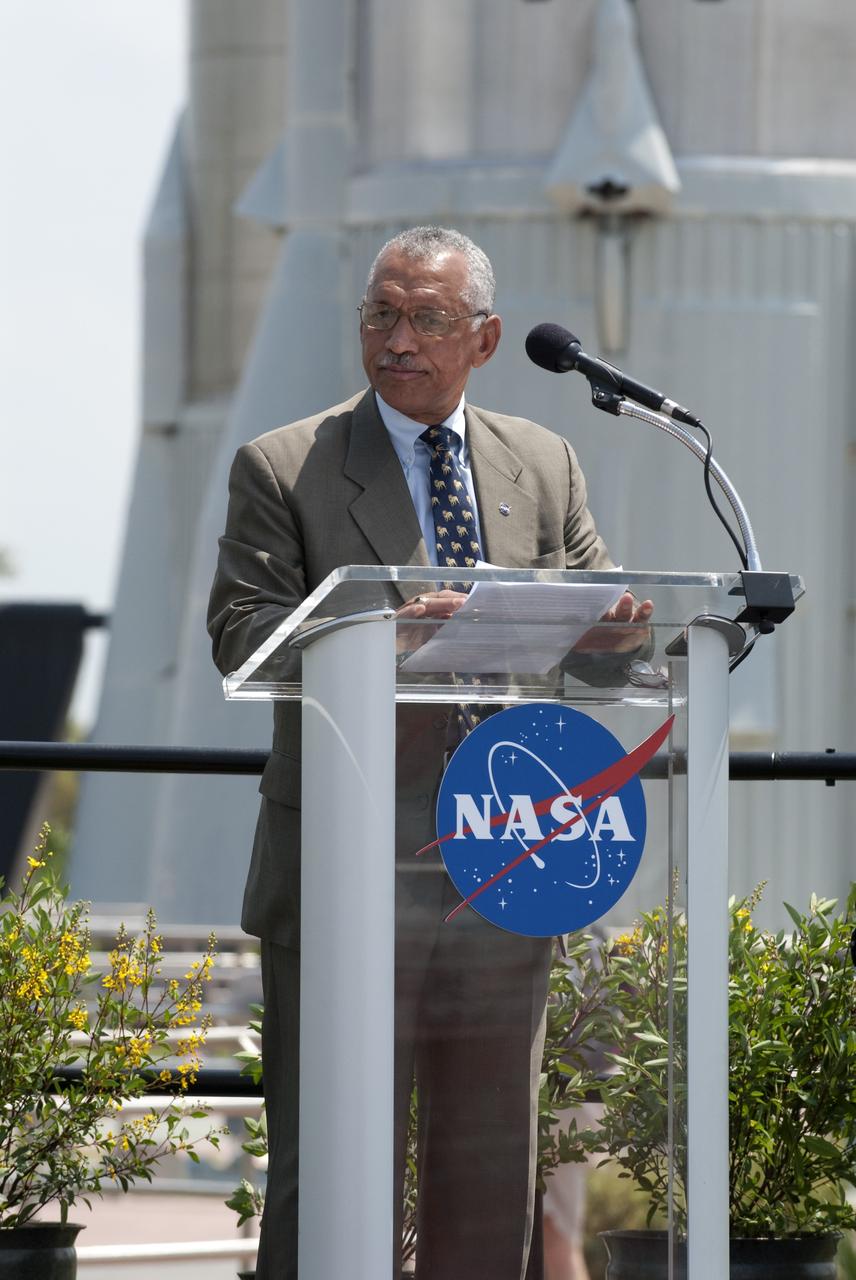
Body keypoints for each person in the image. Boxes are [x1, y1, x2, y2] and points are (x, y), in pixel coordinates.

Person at [208, 226, 652, 1280]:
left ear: (485, 339)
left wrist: (618, 631)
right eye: (381, 314)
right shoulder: (283, 464)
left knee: (488, 1177)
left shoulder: (543, 462)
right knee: (330, 1179)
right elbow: (242, 638)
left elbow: (598, 660)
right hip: (345, 874)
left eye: (427, 319)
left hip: (501, 868)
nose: (397, 338)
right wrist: (387, 629)